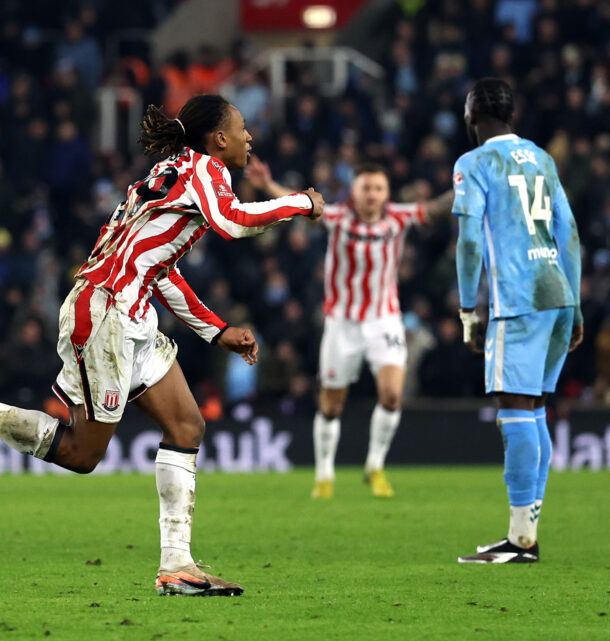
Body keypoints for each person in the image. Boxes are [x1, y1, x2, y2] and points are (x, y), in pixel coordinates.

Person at [0, 95, 324, 596]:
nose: (250, 137)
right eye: (242, 128)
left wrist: (215, 329)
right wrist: (302, 203)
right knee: (82, 453)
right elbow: (233, 222)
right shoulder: (206, 171)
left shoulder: (172, 170)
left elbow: (158, 268)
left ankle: (177, 566)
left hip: (128, 311)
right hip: (105, 313)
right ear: (218, 139)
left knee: (187, 424)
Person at [244, 159, 453, 499]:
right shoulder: (338, 217)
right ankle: (324, 474)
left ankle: (375, 466)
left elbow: (436, 208)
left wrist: (470, 185)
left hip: (384, 319)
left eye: (378, 188)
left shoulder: (398, 217)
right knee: (330, 406)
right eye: (366, 188)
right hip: (342, 323)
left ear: (386, 193)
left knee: (392, 395)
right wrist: (268, 185)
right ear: (354, 191)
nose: (372, 194)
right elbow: (299, 205)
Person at [451, 78, 582, 564]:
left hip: (519, 299)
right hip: (558, 294)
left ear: (471, 119)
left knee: (513, 408)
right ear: (513, 114)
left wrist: (468, 308)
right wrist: (577, 302)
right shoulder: (543, 159)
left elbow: (468, 241)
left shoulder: (474, 163)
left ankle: (521, 540)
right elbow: (568, 233)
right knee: (534, 408)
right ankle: (525, 534)